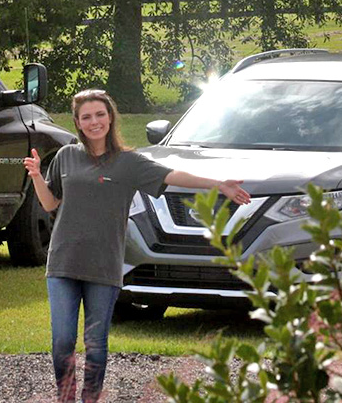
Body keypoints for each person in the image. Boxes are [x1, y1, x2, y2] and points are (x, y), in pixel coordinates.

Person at [24, 88, 251, 403]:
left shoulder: (128, 162)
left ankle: (90, 399)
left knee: (96, 344)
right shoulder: (66, 156)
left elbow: (173, 175)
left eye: (100, 115)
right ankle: (65, 398)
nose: (94, 122)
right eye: (86, 117)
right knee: (62, 341)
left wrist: (218, 184)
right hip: (63, 262)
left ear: (110, 117)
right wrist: (36, 176)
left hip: (104, 265)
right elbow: (50, 203)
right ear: (77, 122)